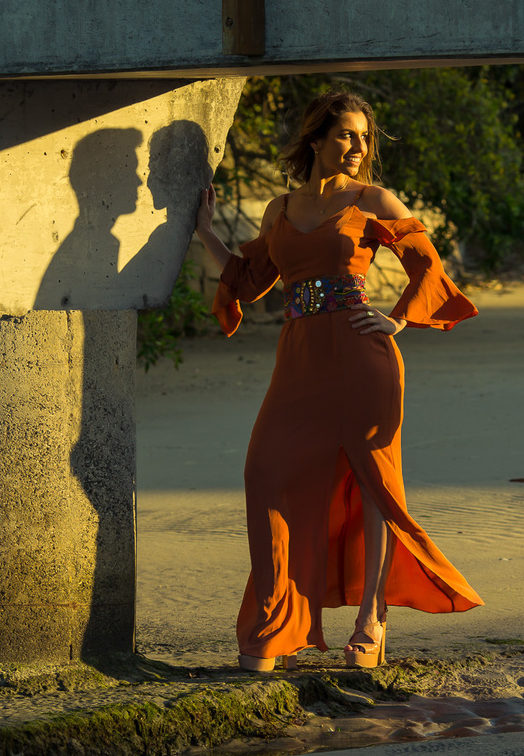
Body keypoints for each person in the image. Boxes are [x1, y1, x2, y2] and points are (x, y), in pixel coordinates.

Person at [193, 89, 483, 672]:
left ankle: (371, 622)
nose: (357, 147)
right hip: (298, 359)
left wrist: (398, 318)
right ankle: (273, 625)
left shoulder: (373, 199)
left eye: (364, 137)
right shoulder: (280, 208)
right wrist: (204, 230)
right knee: (265, 472)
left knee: (374, 488)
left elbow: (428, 265)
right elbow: (249, 280)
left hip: (361, 356)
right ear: (317, 140)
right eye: (346, 135)